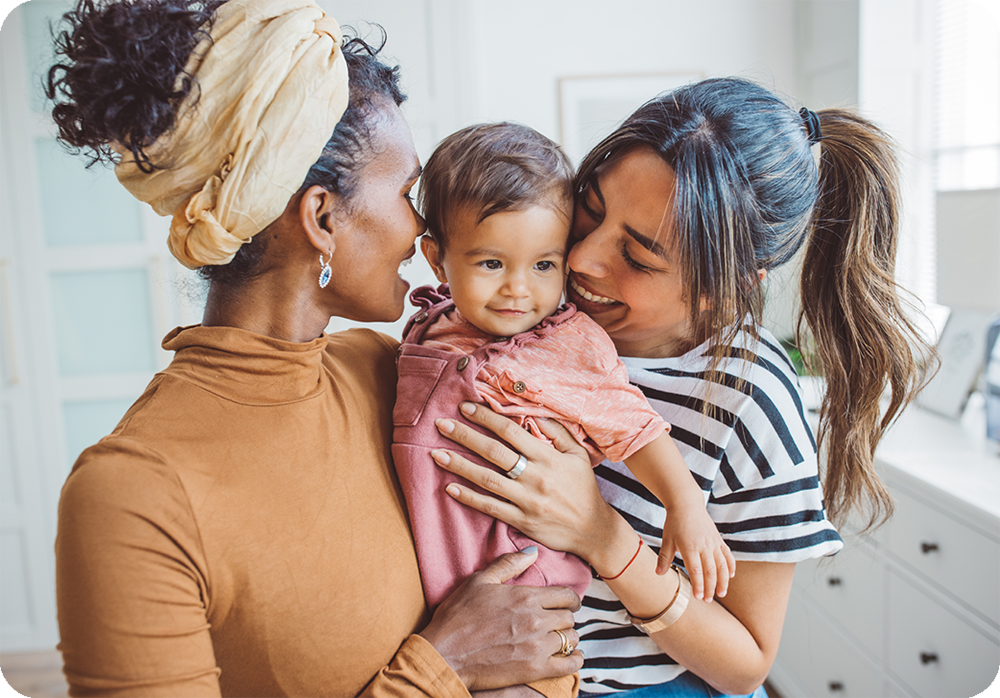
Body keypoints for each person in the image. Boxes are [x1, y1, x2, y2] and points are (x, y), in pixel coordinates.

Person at [46, 0, 583, 695]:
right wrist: (438, 668)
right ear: (323, 220)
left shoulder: (393, 374)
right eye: (406, 190)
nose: (423, 224)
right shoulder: (131, 496)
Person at [424, 78, 934, 696]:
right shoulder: (521, 312)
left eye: (637, 258)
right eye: (590, 207)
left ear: (726, 284)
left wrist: (599, 533)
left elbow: (745, 666)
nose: (582, 258)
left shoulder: (749, 398)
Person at [393, 122, 734, 612]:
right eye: (491, 264)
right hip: (434, 566)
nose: (518, 288)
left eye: (544, 265)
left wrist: (685, 507)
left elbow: (632, 425)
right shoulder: (433, 322)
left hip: (521, 580)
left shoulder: (564, 344)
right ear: (438, 260)